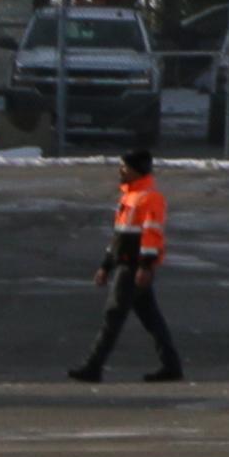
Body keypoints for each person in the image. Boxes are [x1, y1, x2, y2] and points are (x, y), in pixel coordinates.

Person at [71, 149, 184, 382]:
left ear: (137, 169)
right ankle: (171, 366)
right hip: (127, 265)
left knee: (113, 317)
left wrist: (145, 266)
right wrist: (105, 266)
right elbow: (119, 237)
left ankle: (93, 366)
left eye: (125, 166)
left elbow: (152, 235)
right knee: (151, 319)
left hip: (133, 268)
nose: (120, 171)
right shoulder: (129, 197)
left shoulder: (149, 198)